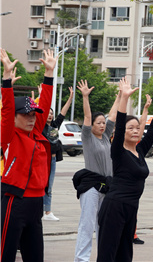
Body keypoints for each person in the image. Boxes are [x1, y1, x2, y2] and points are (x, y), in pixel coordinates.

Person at [96, 78, 153, 262]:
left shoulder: (140, 150)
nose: (136, 131)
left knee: (125, 254)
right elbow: (119, 126)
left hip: (131, 207)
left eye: (137, 128)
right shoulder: (118, 151)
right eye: (131, 128)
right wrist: (124, 98)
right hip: (114, 206)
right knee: (107, 254)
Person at [0, 48, 55, 261]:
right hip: (15, 202)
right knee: (6, 256)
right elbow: (6, 111)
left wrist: (49, 74)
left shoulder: (35, 132)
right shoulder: (9, 135)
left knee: (35, 257)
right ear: (15, 118)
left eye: (34, 115)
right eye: (26, 115)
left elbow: (45, 104)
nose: (31, 119)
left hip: (36, 203)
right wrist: (6, 80)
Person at [73, 80, 120, 262]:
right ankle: (81, 259)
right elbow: (87, 116)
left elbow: (113, 115)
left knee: (104, 226)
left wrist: (120, 97)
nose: (102, 125)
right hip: (91, 188)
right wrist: (85, 97)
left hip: (107, 187)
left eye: (103, 123)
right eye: (98, 123)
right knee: (87, 225)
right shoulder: (88, 137)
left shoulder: (107, 136)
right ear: (91, 125)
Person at [42, 86, 73, 222]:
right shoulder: (40, 126)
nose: (50, 115)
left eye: (51, 113)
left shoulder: (55, 125)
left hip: (52, 161)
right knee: (41, 184)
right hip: (42, 160)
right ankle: (41, 210)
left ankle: (47, 211)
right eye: (47, 113)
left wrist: (70, 99)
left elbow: (63, 112)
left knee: (49, 185)